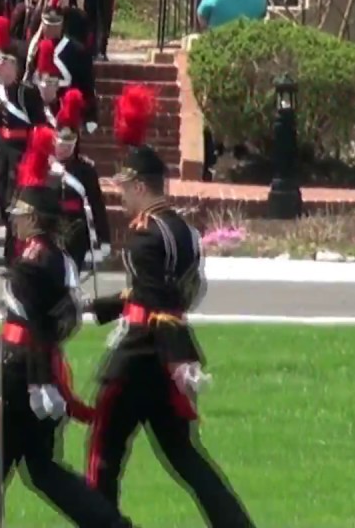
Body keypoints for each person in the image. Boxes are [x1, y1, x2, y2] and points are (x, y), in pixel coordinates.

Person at [83, 84, 255, 527]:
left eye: (125, 188)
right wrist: (95, 307)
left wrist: (177, 357)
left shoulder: (144, 237)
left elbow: (153, 306)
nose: (120, 196)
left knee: (103, 453)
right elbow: (178, 294)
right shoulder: (185, 232)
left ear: (141, 187)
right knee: (185, 457)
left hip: (140, 355)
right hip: (169, 354)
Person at [0, 126, 137, 528]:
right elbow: (41, 327)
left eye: (18, 216)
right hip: (40, 369)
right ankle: (109, 523)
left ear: (33, 219)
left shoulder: (29, 264)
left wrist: (37, 384)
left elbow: (31, 329)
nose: (13, 223)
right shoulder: (60, 259)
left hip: (19, 381)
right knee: (44, 471)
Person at [0, 28, 46, 264]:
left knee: (17, 206)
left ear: (15, 66)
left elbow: (40, 127)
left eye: (3, 61)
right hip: (1, 157)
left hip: (22, 155)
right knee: (3, 205)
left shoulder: (28, 94)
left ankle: (13, 255)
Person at [49, 89, 109, 271]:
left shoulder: (85, 169)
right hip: (50, 227)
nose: (64, 150)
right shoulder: (45, 166)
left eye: (69, 146)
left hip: (76, 229)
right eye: (61, 145)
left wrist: (104, 238)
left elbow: (97, 204)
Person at [24, 0, 98, 130]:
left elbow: (87, 84)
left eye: (55, 25)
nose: (51, 29)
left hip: (65, 112)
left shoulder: (76, 51)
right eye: (48, 24)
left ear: (62, 25)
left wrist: (90, 115)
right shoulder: (34, 48)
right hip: (38, 111)